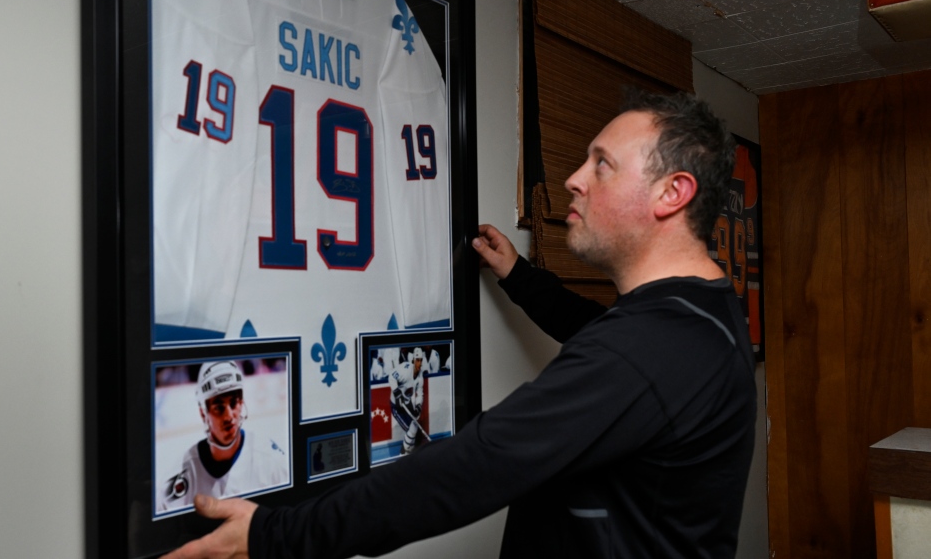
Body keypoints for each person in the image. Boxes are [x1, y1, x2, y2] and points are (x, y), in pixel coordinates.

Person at [162, 89, 757, 558]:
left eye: (602, 164)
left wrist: (277, 538)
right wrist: (520, 278)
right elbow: (600, 334)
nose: (575, 177)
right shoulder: (700, 316)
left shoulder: (646, 349)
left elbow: (476, 464)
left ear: (672, 193)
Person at [158, 361, 289, 513]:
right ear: (203, 413)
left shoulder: (271, 462)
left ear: (241, 404)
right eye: (219, 408)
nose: (229, 416)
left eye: (233, 403)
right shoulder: (183, 475)